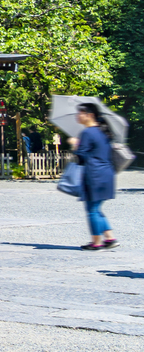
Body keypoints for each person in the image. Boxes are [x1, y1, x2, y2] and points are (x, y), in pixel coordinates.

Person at [72, 103, 118, 250]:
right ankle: (110, 238)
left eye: (80, 113)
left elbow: (81, 157)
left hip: (94, 174)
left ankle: (96, 241)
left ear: (89, 115)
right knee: (96, 208)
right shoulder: (103, 132)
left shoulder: (87, 133)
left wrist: (75, 145)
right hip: (107, 173)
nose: (77, 116)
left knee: (92, 209)